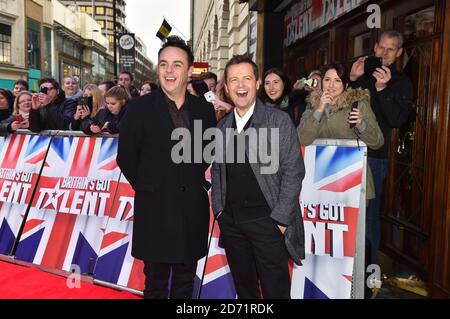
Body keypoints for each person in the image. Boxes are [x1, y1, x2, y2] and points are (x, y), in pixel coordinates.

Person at [117, 36, 216, 299]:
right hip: (155, 210)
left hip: (191, 212)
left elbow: (207, 153)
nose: (169, 71)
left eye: (176, 64)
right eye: (163, 64)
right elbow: (126, 157)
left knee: (185, 283)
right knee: (156, 285)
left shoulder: (204, 110)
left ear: (189, 70)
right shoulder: (138, 108)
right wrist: (152, 185)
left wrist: (190, 182)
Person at [211, 55, 305, 299]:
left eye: (246, 79)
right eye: (234, 80)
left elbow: (294, 171)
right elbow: (219, 171)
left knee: (276, 292)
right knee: (245, 292)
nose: (240, 86)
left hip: (268, 223)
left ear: (257, 83)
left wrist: (281, 221)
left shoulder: (278, 121)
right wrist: (220, 211)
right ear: (227, 87)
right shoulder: (223, 127)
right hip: (232, 223)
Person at [349, 29, 413, 265]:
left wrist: (382, 89)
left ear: (399, 53)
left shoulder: (401, 82)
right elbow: (340, 106)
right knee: (345, 215)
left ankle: (368, 273)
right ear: (374, 47)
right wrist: (352, 80)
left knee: (368, 218)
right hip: (344, 154)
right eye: (382, 47)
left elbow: (396, 120)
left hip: (374, 158)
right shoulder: (362, 75)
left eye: (391, 49)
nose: (384, 53)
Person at [298, 62, 384, 201]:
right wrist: (319, 109)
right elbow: (302, 139)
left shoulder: (358, 104)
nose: (331, 85)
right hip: (320, 183)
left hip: (353, 183)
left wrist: (361, 125)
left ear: (346, 84)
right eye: (327, 80)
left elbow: (378, 142)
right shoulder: (312, 105)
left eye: (337, 80)